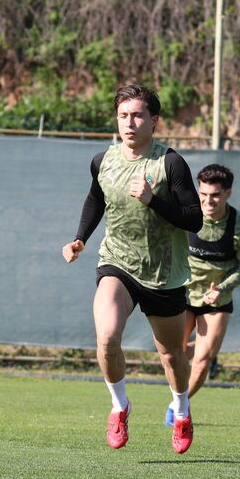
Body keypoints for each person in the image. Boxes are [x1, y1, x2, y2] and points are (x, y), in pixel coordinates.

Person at [62, 84, 202, 454]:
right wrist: (80, 239)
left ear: (154, 122)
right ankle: (119, 406)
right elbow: (96, 199)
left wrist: (154, 200)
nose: (130, 122)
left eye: (138, 115)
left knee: (172, 355)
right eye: (123, 115)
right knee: (107, 337)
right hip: (117, 263)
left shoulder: (170, 163)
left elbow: (195, 220)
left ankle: (182, 409)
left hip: (164, 274)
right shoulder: (102, 160)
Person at [163, 164, 240, 426]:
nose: (207, 201)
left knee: (203, 360)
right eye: (203, 194)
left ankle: (177, 405)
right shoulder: (187, 215)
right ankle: (185, 375)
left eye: (214, 195)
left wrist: (223, 289)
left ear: (227, 193)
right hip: (182, 293)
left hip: (216, 300)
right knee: (173, 353)